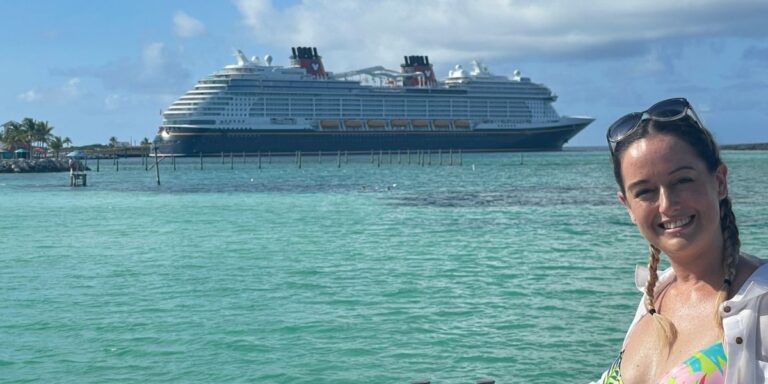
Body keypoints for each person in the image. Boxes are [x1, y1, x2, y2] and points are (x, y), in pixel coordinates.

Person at [597, 97, 768, 383]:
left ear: (720, 182)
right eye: (644, 191)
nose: (667, 204)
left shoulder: (760, 304)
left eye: (682, 181)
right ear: (627, 206)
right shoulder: (655, 298)